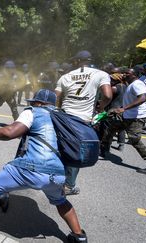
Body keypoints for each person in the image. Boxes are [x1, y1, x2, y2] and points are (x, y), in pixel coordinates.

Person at [0, 89, 87, 243]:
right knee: (61, 201)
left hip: (31, 167)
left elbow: (11, 132)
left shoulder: (34, 111)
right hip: (57, 173)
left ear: (39, 103)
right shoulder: (61, 117)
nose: (33, 104)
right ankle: (79, 236)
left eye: (34, 102)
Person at [55, 50, 112, 196]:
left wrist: (58, 110)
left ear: (75, 61)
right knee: (76, 151)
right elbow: (107, 95)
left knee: (61, 147)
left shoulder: (65, 76)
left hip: (64, 117)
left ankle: (56, 178)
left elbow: (56, 98)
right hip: (83, 119)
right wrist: (101, 108)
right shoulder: (100, 74)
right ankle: (69, 185)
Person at [100, 67, 146, 175]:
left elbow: (142, 98)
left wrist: (124, 108)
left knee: (134, 139)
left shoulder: (137, 84)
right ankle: (103, 150)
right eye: (124, 73)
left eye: (127, 73)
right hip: (128, 116)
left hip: (137, 117)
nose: (124, 74)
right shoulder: (131, 84)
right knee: (111, 128)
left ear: (134, 75)